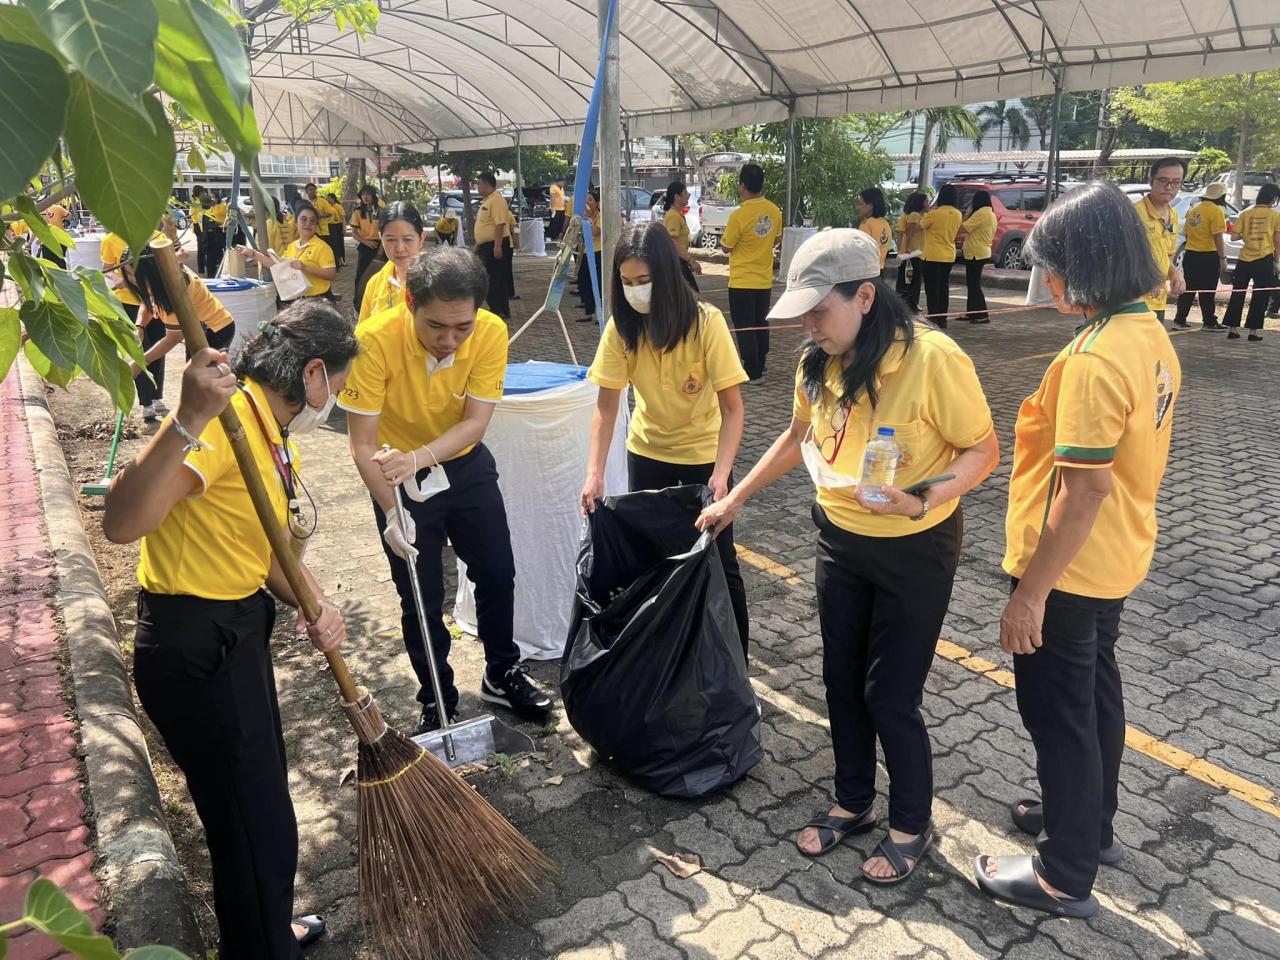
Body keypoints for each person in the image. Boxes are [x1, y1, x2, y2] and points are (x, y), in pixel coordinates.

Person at [696, 229, 998, 885]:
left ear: (866, 296)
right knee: (840, 683)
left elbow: (983, 452)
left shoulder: (934, 360)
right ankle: (854, 801)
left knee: (890, 695)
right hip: (840, 540)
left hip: (915, 548)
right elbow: (797, 436)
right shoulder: (818, 363)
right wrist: (734, 498)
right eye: (802, 312)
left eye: (819, 310)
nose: (810, 325)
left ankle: (912, 823)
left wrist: (921, 499)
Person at [102, 301, 359, 958]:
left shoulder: (268, 436)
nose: (336, 401)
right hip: (195, 646)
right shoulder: (225, 424)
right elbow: (123, 522)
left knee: (258, 810)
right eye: (339, 386)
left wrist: (316, 603)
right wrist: (187, 416)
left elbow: (265, 550)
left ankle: (266, 930)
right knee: (254, 824)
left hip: (237, 632)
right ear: (312, 375)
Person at [975, 182, 1180, 919]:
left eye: (1052, 266)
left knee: (1059, 712)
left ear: (1085, 263)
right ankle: (1090, 828)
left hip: (1069, 568)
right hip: (1116, 556)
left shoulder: (1095, 358)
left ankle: (1063, 875)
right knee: (1095, 696)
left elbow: (1083, 490)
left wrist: (1030, 591)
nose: (1047, 282)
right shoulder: (1147, 333)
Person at [338, 247, 554, 734]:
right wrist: (392, 511)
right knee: (421, 593)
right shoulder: (373, 341)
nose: (450, 341)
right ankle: (437, 696)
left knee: (497, 573)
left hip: (462, 467)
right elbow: (362, 444)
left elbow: (476, 423)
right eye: (436, 326)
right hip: (394, 478)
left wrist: (419, 457)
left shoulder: (492, 332)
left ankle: (502, 674)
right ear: (410, 301)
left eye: (463, 327)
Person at [581, 221, 750, 651]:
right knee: (656, 557)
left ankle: (735, 666)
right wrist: (594, 473)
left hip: (703, 459)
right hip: (648, 454)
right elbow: (606, 406)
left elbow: (733, 409)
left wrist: (722, 474)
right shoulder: (622, 329)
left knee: (717, 559)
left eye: (644, 280)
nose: (636, 290)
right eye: (626, 282)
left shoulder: (705, 323)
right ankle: (670, 653)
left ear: (667, 275)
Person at [721, 163, 782, 382]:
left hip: (741, 281)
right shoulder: (775, 211)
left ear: (742, 186)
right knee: (760, 322)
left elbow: (726, 246)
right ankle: (761, 363)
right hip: (764, 280)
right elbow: (776, 238)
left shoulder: (739, 215)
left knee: (745, 325)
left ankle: (753, 370)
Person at [102, 233, 167, 421]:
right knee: (140, 350)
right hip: (130, 303)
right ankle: (146, 402)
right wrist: (117, 279)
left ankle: (156, 397)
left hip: (155, 300)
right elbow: (107, 268)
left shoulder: (153, 235)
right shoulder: (110, 240)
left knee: (158, 348)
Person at [239, 202, 337, 304]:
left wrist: (305, 267)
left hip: (318, 300)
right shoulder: (292, 246)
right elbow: (277, 265)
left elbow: (331, 274)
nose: (308, 223)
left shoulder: (322, 247)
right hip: (298, 298)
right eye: (303, 220)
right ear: (296, 224)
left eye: (312, 221)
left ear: (316, 225)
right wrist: (253, 253)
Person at [1221, 182, 1280, 342]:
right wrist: (1277, 261)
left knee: (1238, 293)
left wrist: (1247, 233)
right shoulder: (1275, 215)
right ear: (1273, 198)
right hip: (1264, 258)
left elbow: (1234, 236)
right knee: (1260, 295)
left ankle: (1232, 329)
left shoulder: (1246, 214)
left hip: (1245, 258)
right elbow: (1277, 240)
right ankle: (1253, 332)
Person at [1134, 157, 1187, 322]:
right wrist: (1148, 278)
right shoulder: (1134, 214)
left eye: (1176, 182)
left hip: (1158, 302)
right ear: (1151, 181)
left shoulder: (1173, 215)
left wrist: (1175, 273)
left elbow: (1167, 256)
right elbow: (1123, 258)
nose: (1169, 187)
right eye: (1163, 181)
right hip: (1133, 303)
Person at [357, 202, 425, 327]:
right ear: (381, 239)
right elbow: (364, 333)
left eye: (407, 239)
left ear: (422, 238)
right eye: (391, 240)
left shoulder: (438, 281)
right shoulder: (375, 283)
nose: (399, 248)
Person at [1172, 182, 1229, 330]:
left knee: (1189, 288)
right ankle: (1209, 321)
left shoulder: (1194, 210)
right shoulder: (1216, 211)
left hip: (1191, 253)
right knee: (1208, 290)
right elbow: (1218, 237)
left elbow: (1187, 231)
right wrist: (1223, 258)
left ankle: (1179, 319)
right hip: (1208, 255)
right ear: (1221, 196)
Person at [920, 183, 962, 328]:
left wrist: (928, 210)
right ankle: (943, 318)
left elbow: (922, 224)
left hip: (932, 254)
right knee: (944, 287)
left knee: (931, 288)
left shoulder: (934, 213)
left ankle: (933, 317)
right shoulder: (958, 214)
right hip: (949, 254)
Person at [473, 172, 513, 319]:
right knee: (491, 277)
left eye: (479, 184)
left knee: (495, 279)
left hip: (496, 244)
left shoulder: (497, 200)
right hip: (487, 245)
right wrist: (478, 245)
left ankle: (499, 309)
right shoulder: (487, 201)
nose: (477, 187)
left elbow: (499, 224)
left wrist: (497, 246)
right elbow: (485, 225)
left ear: (487, 184)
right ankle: (498, 307)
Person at [960, 190, 997, 324]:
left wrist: (967, 215)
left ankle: (982, 314)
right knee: (972, 284)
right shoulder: (990, 213)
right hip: (982, 251)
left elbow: (964, 227)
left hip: (976, 252)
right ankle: (972, 312)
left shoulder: (981, 213)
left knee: (974, 285)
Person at [662, 181, 702, 291]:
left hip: (680, 262)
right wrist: (691, 261)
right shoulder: (673, 216)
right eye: (685, 192)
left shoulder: (677, 215)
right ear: (677, 196)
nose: (688, 195)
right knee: (692, 295)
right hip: (676, 263)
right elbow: (673, 242)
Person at [895, 192, 927, 311]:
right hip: (913, 252)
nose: (928, 203)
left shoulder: (918, 215)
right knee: (911, 279)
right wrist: (905, 249)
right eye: (926, 201)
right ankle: (910, 303)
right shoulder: (914, 215)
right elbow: (908, 233)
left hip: (913, 252)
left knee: (908, 278)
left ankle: (908, 302)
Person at [350, 185, 383, 297]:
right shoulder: (357, 212)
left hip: (381, 246)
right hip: (365, 246)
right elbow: (354, 233)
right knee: (362, 274)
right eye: (363, 194)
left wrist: (381, 247)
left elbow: (385, 231)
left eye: (368, 194)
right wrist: (366, 242)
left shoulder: (381, 210)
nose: (365, 197)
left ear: (373, 196)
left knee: (380, 273)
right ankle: (360, 299)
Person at [578, 187, 604, 324]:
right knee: (583, 281)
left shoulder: (599, 216)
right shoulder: (584, 216)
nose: (587, 202)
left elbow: (596, 232)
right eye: (586, 199)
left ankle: (600, 313)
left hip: (597, 252)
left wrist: (588, 217)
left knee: (598, 283)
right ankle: (589, 312)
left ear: (596, 202)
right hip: (586, 251)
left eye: (590, 200)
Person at [856, 187, 893, 270]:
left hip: (866, 272)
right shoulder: (885, 224)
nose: (858, 208)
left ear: (870, 206)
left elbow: (861, 252)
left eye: (860, 204)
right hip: (880, 270)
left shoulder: (866, 225)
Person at [205, 193, 229, 278]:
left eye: (213, 197)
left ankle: (223, 261)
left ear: (217, 198)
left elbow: (227, 215)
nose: (212, 199)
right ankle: (219, 261)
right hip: (215, 228)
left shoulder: (223, 206)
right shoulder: (211, 208)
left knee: (223, 245)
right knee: (218, 246)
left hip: (223, 227)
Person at [189, 186, 209, 276]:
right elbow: (193, 215)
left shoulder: (199, 201)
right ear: (200, 193)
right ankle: (201, 268)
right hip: (199, 227)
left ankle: (203, 266)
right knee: (201, 248)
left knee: (203, 247)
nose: (204, 194)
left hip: (201, 227)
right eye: (203, 192)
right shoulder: (196, 202)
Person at [548, 176, 568, 241]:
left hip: (561, 208)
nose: (563, 184)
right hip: (555, 208)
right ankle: (552, 236)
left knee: (561, 223)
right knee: (554, 223)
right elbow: (552, 197)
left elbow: (562, 197)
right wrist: (552, 207)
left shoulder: (561, 188)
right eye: (562, 182)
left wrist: (565, 203)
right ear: (559, 181)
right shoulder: (553, 187)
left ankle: (558, 235)